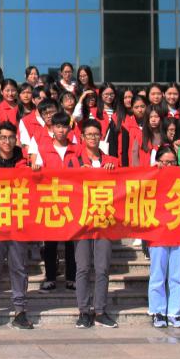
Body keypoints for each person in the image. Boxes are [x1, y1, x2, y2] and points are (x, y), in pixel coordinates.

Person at [0, 122, 32, 330]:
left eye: (10, 137)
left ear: (15, 139)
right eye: (3, 137)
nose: (7, 141)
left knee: (19, 267)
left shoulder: (24, 163)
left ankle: (20, 310)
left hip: (19, 223)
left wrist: (35, 171)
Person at [67, 119, 119, 328]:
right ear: (82, 137)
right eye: (89, 134)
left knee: (102, 267)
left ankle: (100, 310)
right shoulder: (73, 161)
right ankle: (83, 310)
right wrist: (79, 174)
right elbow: (65, 185)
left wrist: (112, 172)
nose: (93, 138)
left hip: (105, 220)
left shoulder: (112, 161)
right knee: (82, 267)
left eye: (96, 134)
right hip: (82, 221)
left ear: (101, 137)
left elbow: (123, 186)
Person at [32, 112, 80, 292]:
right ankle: (50, 277)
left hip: (71, 200)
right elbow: (36, 172)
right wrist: (35, 169)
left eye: (64, 126)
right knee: (50, 241)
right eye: (57, 126)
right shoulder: (43, 148)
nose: (61, 130)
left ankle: (71, 278)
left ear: (69, 129)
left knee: (71, 242)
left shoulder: (77, 149)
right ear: (52, 128)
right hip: (50, 199)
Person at [148, 145, 180, 328]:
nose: (169, 165)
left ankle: (174, 313)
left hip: (179, 232)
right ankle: (157, 312)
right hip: (157, 233)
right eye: (165, 162)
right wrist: (153, 171)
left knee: (176, 276)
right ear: (158, 161)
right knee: (158, 275)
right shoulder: (150, 176)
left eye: (172, 162)